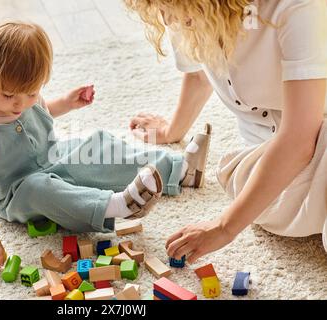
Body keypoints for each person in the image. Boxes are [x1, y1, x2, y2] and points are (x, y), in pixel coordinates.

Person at [0, 21, 212, 268]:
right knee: (39, 186)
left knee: (94, 145)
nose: (20, 105)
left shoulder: (24, 96)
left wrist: (65, 103)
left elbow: (43, 112)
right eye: (9, 95)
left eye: (31, 93)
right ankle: (116, 205)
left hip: (52, 157)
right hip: (17, 193)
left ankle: (180, 169)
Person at [124, 0, 327, 263]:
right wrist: (171, 130)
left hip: (310, 135)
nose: (166, 19)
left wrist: (224, 227)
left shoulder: (298, 7)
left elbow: (300, 138)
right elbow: (199, 75)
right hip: (261, 161)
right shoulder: (182, 10)